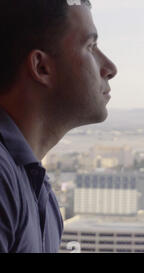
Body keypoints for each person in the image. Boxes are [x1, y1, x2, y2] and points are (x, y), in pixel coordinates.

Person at [0, 0, 118, 253]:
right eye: (91, 46)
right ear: (41, 67)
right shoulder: (4, 180)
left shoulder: (38, 190)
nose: (110, 68)